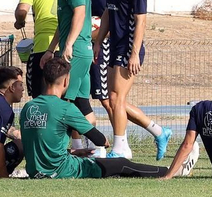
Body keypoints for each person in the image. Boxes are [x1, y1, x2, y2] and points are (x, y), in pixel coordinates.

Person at [19, 57, 164, 178]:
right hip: (62, 170)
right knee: (121, 164)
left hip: (34, 172)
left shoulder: (27, 107)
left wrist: (74, 152)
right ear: (66, 81)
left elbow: (39, 146)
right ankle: (167, 171)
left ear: (44, 79)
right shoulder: (65, 108)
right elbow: (101, 141)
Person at [95, 0, 169, 161]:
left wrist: (134, 53)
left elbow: (141, 22)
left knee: (116, 98)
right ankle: (159, 131)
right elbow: (108, 13)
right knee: (114, 99)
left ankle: (121, 148)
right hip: (114, 47)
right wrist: (98, 41)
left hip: (128, 49)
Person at [39, 0, 102, 155]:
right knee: (81, 104)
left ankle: (58, 153)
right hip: (78, 49)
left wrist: (69, 45)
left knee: (62, 103)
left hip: (77, 50)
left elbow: (80, 13)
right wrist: (50, 50)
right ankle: (95, 150)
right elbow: (64, 22)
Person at [14, 0, 61, 97]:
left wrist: (19, 22)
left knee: (39, 95)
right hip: (65, 46)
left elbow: (21, 11)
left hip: (42, 46)